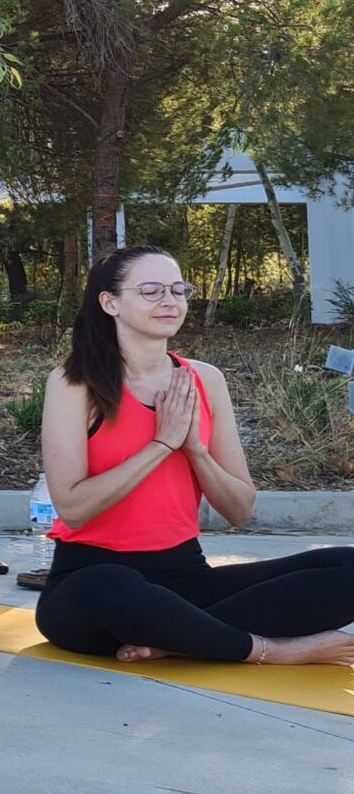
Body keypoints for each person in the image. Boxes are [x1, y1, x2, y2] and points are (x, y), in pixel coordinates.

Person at [33, 244, 354, 666]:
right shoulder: (75, 383)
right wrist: (161, 444)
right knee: (110, 585)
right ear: (110, 302)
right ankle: (269, 650)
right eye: (150, 290)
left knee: (346, 567)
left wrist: (195, 449)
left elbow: (240, 510)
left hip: (187, 579)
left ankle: (174, 637)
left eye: (178, 289)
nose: (170, 301)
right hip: (90, 584)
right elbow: (73, 509)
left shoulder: (205, 379)